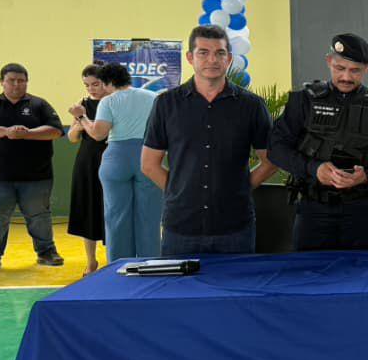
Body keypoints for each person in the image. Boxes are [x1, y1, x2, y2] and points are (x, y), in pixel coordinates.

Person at [141, 26, 275, 255]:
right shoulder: (166, 104)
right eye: (203, 52)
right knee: (178, 281)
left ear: (229, 59)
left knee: (236, 280)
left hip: (235, 226)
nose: (212, 60)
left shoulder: (252, 106)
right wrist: (179, 192)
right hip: (180, 227)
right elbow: (149, 164)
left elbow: (270, 161)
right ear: (190, 57)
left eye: (219, 53)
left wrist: (240, 189)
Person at [268, 33, 368, 251]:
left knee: (360, 271)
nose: (346, 77)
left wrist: (366, 176)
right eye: (340, 68)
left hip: (361, 211)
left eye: (355, 70)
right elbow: (276, 149)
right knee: (310, 270)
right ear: (329, 61)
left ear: (366, 69)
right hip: (313, 209)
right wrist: (314, 168)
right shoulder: (304, 101)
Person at [0, 63, 65, 271]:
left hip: (37, 176)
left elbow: (56, 131)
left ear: (27, 82)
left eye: (21, 80)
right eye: (11, 80)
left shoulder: (39, 105)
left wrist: (27, 134)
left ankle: (46, 252)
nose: (16, 84)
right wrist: (6, 131)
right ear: (2, 82)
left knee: (39, 216)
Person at [83, 63, 163, 260]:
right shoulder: (153, 97)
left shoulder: (108, 101)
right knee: (150, 216)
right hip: (149, 157)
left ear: (107, 82)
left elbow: (98, 134)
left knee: (116, 216)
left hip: (116, 159)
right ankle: (151, 263)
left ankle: (119, 265)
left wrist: (82, 118)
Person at [66, 64, 111, 274]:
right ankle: (91, 261)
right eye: (87, 85)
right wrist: (78, 125)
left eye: (95, 84)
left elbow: (100, 134)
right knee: (88, 210)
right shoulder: (82, 105)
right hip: (87, 161)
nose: (91, 89)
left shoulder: (114, 102)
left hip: (111, 160)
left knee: (111, 210)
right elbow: (72, 138)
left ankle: (113, 258)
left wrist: (86, 122)